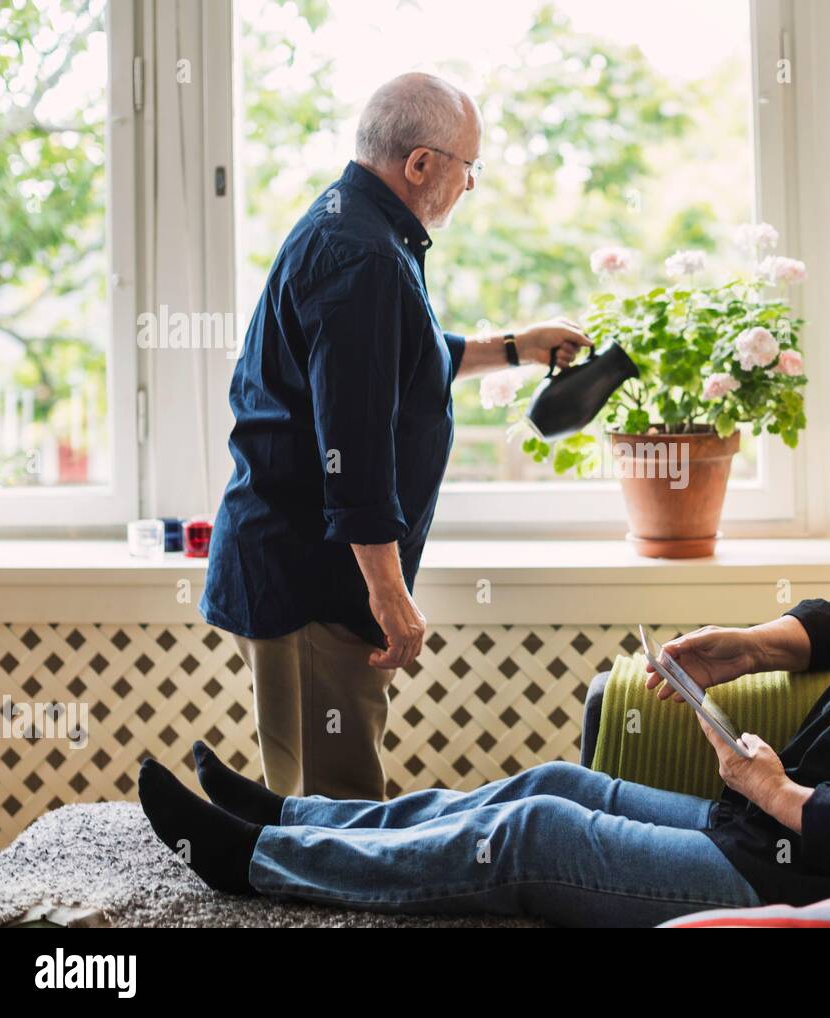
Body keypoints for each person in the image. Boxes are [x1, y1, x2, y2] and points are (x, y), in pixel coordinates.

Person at [145, 398, 830, 927]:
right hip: (764, 829)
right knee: (556, 779)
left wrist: (780, 798)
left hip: (796, 866)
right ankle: (289, 812)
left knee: (527, 833)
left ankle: (248, 861)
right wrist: (747, 646)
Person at [198, 72, 591, 800]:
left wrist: (517, 346)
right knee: (335, 809)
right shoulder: (365, 256)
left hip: (301, 563)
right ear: (420, 164)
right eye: (468, 167)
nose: (470, 187)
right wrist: (389, 592)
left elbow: (404, 358)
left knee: (318, 797)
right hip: (314, 579)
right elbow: (352, 440)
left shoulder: (355, 225)